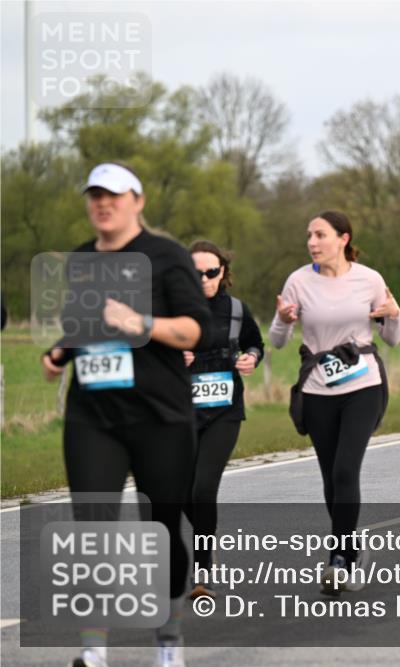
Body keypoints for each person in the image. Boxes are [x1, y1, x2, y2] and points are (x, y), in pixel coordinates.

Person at [40, 163, 211, 667]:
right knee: (91, 529)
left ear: (137, 200)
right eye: (94, 196)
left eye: (113, 195)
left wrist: (141, 322)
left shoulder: (166, 257)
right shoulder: (81, 259)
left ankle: (168, 641)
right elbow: (83, 321)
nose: (103, 204)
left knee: (161, 530)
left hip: (161, 416)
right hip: (93, 415)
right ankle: (94, 650)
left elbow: (195, 331)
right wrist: (61, 352)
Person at [269, 210, 400, 594]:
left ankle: (339, 559)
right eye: (309, 235)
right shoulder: (298, 281)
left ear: (343, 239)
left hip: (362, 385)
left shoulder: (369, 279)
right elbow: (278, 340)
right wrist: (282, 319)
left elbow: (392, 337)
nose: (312, 242)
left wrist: (393, 316)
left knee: (346, 471)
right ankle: (352, 548)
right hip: (316, 389)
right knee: (330, 479)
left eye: (320, 235)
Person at [181, 240, 264, 599]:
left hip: (224, 411)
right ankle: (207, 535)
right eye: (195, 273)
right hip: (179, 412)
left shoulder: (236, 310)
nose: (204, 279)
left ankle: (202, 572)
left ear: (223, 273)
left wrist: (251, 358)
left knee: (203, 489)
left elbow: (255, 344)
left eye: (211, 272)